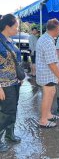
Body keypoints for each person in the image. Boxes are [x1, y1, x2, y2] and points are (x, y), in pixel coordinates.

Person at [36, 18, 59, 128]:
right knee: (47, 95)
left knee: (52, 92)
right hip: (47, 74)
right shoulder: (47, 41)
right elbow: (51, 63)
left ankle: (48, 114)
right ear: (57, 29)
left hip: (48, 74)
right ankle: (43, 120)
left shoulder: (47, 38)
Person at [0, 14, 23, 152]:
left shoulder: (10, 40)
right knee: (6, 112)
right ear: (8, 26)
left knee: (13, 109)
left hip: (14, 82)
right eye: (16, 26)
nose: (17, 29)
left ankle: (10, 134)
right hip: (4, 84)